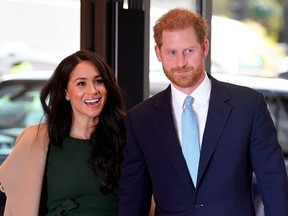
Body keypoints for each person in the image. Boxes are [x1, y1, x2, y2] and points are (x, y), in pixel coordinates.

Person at [118, 8, 288, 216]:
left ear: (204, 47)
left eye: (189, 51)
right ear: (158, 53)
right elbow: (133, 198)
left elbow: (274, 184)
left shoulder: (248, 106)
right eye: (172, 52)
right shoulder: (140, 119)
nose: (181, 62)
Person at [0, 50, 126, 216]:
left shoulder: (126, 136)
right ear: (66, 92)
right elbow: (13, 190)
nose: (93, 90)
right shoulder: (39, 139)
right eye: (81, 83)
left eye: (99, 81)